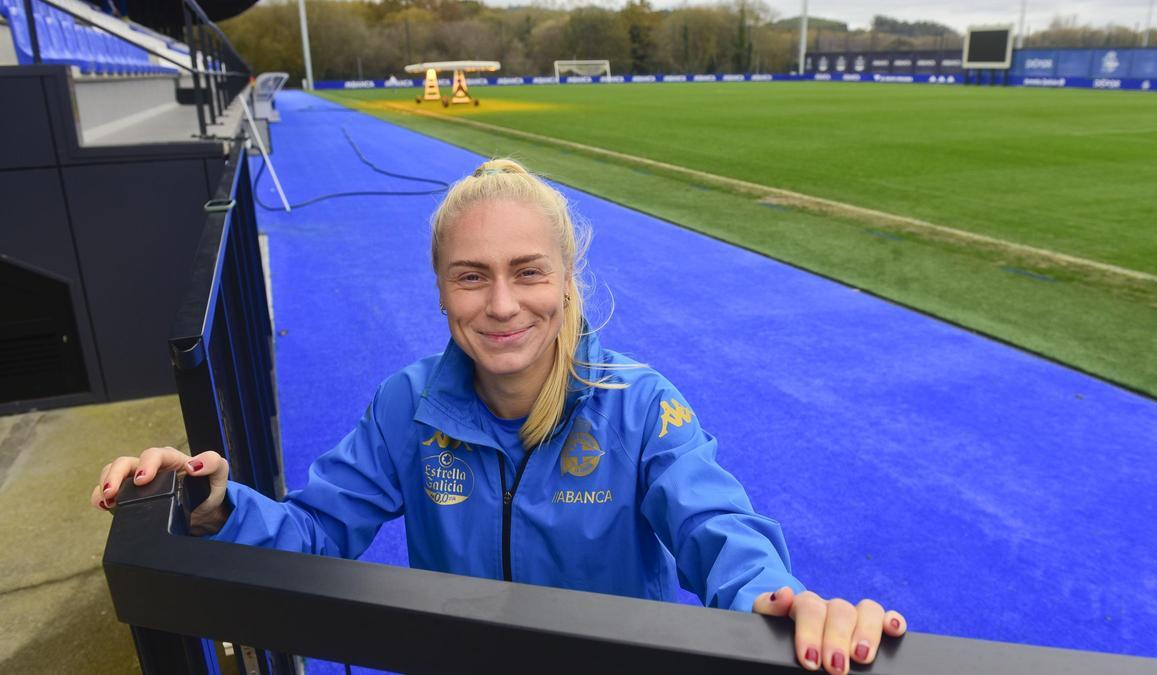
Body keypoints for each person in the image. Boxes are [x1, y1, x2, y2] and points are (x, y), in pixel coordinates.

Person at [92, 159, 906, 672]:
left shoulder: (639, 405)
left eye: (528, 271)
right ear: (441, 290)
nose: (504, 304)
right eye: (472, 275)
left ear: (567, 279)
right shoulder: (409, 406)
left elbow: (717, 530)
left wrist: (781, 599)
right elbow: (314, 533)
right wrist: (215, 505)